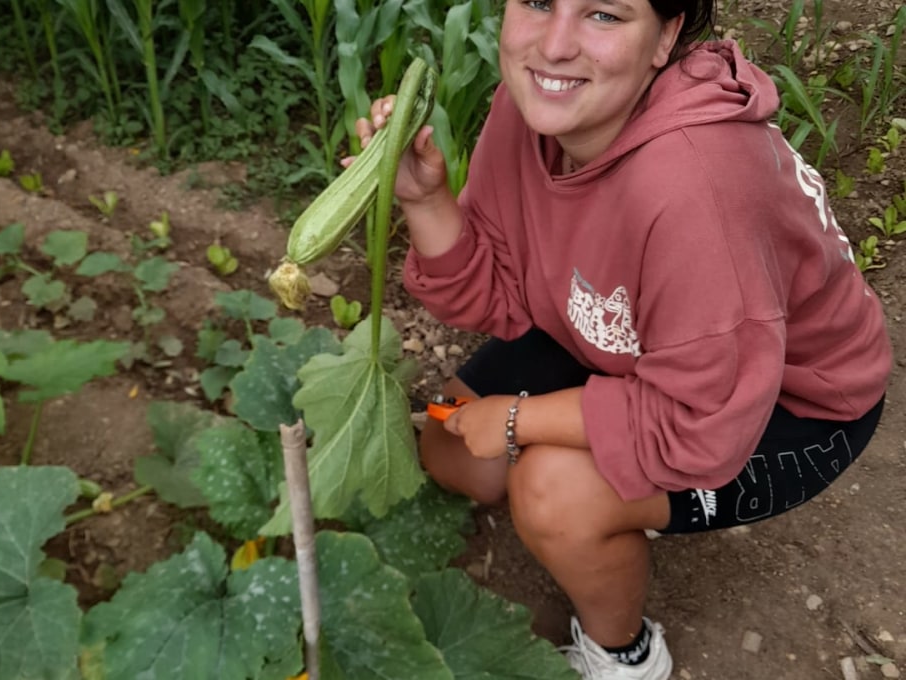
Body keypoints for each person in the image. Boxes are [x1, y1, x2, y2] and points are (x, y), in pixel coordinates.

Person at [353, 0, 892, 677]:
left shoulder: (696, 186)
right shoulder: (539, 103)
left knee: (551, 493)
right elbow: (498, 296)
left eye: (604, 14)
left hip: (782, 404)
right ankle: (603, 489)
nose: (555, 45)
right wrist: (425, 199)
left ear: (666, 35)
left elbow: (701, 423)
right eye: (539, 2)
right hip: (625, 341)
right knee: (452, 449)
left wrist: (518, 419)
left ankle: (625, 654)